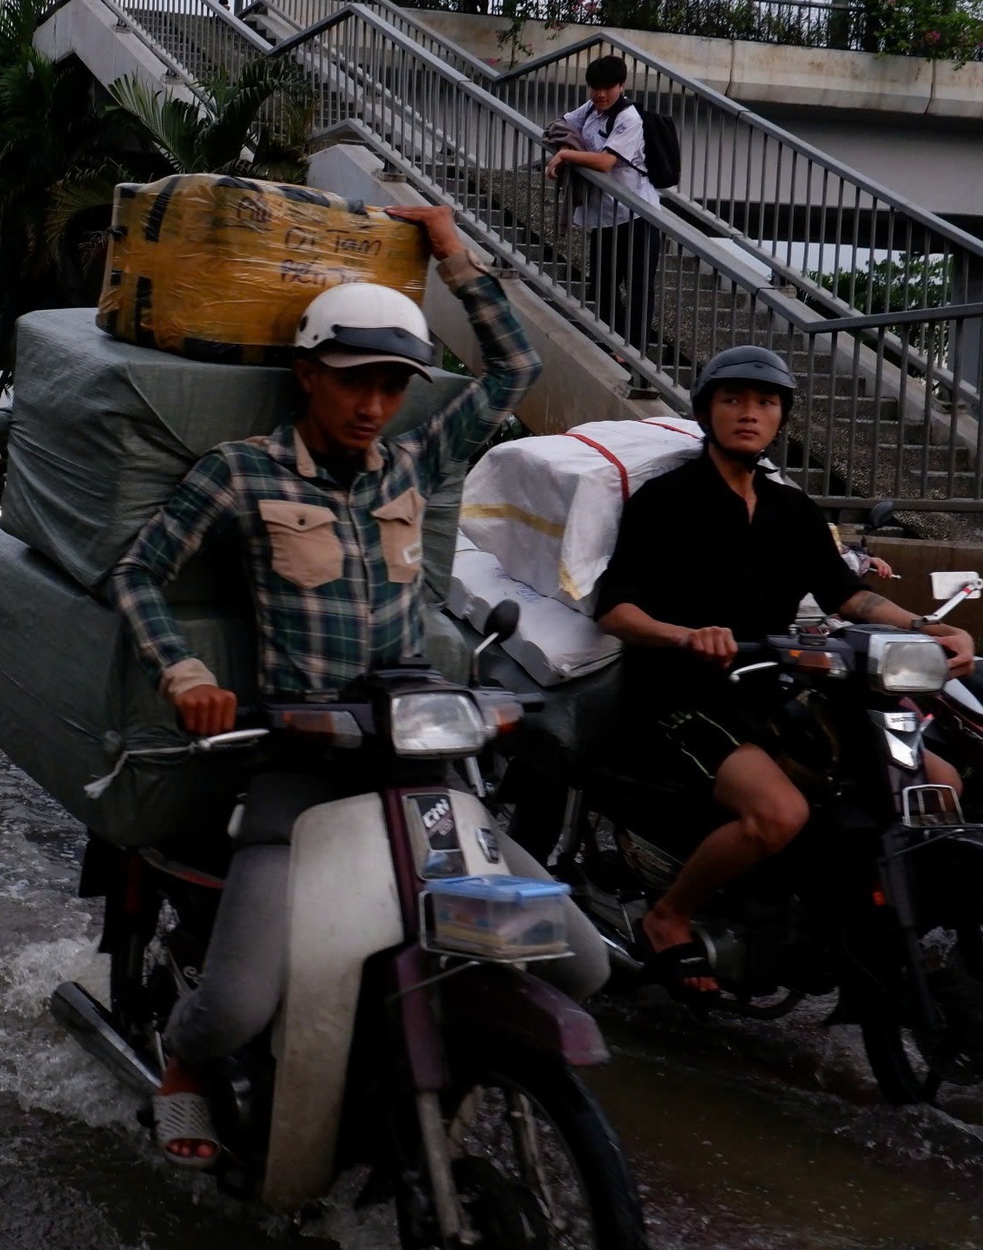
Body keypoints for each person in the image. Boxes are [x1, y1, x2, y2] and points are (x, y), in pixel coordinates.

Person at [109, 204, 598, 1167]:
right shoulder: (241, 476)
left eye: (390, 385)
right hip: (303, 765)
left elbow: (512, 372)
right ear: (306, 376)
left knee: (580, 962)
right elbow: (135, 574)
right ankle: (181, 1068)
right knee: (237, 1003)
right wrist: (188, 671)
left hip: (420, 764)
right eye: (353, 382)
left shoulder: (415, 461)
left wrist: (454, 255)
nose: (372, 405)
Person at [595, 345, 975, 993]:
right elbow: (616, 610)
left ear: (781, 418)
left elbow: (845, 595)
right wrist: (685, 636)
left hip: (771, 685)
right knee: (779, 814)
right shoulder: (668, 500)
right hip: (681, 691)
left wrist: (924, 627)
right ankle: (670, 915)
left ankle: (851, 917)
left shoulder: (791, 510)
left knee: (933, 776)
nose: (750, 414)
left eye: (765, 403)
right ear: (707, 410)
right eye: (734, 400)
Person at [546, 54, 662, 360]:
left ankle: (634, 349)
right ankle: (621, 341)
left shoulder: (629, 118)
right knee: (602, 284)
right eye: (594, 88)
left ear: (621, 85)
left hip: (637, 213)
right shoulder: (591, 109)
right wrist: (565, 144)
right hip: (603, 216)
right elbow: (560, 124)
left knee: (638, 285)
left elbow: (606, 162)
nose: (600, 94)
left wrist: (566, 156)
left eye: (608, 88)